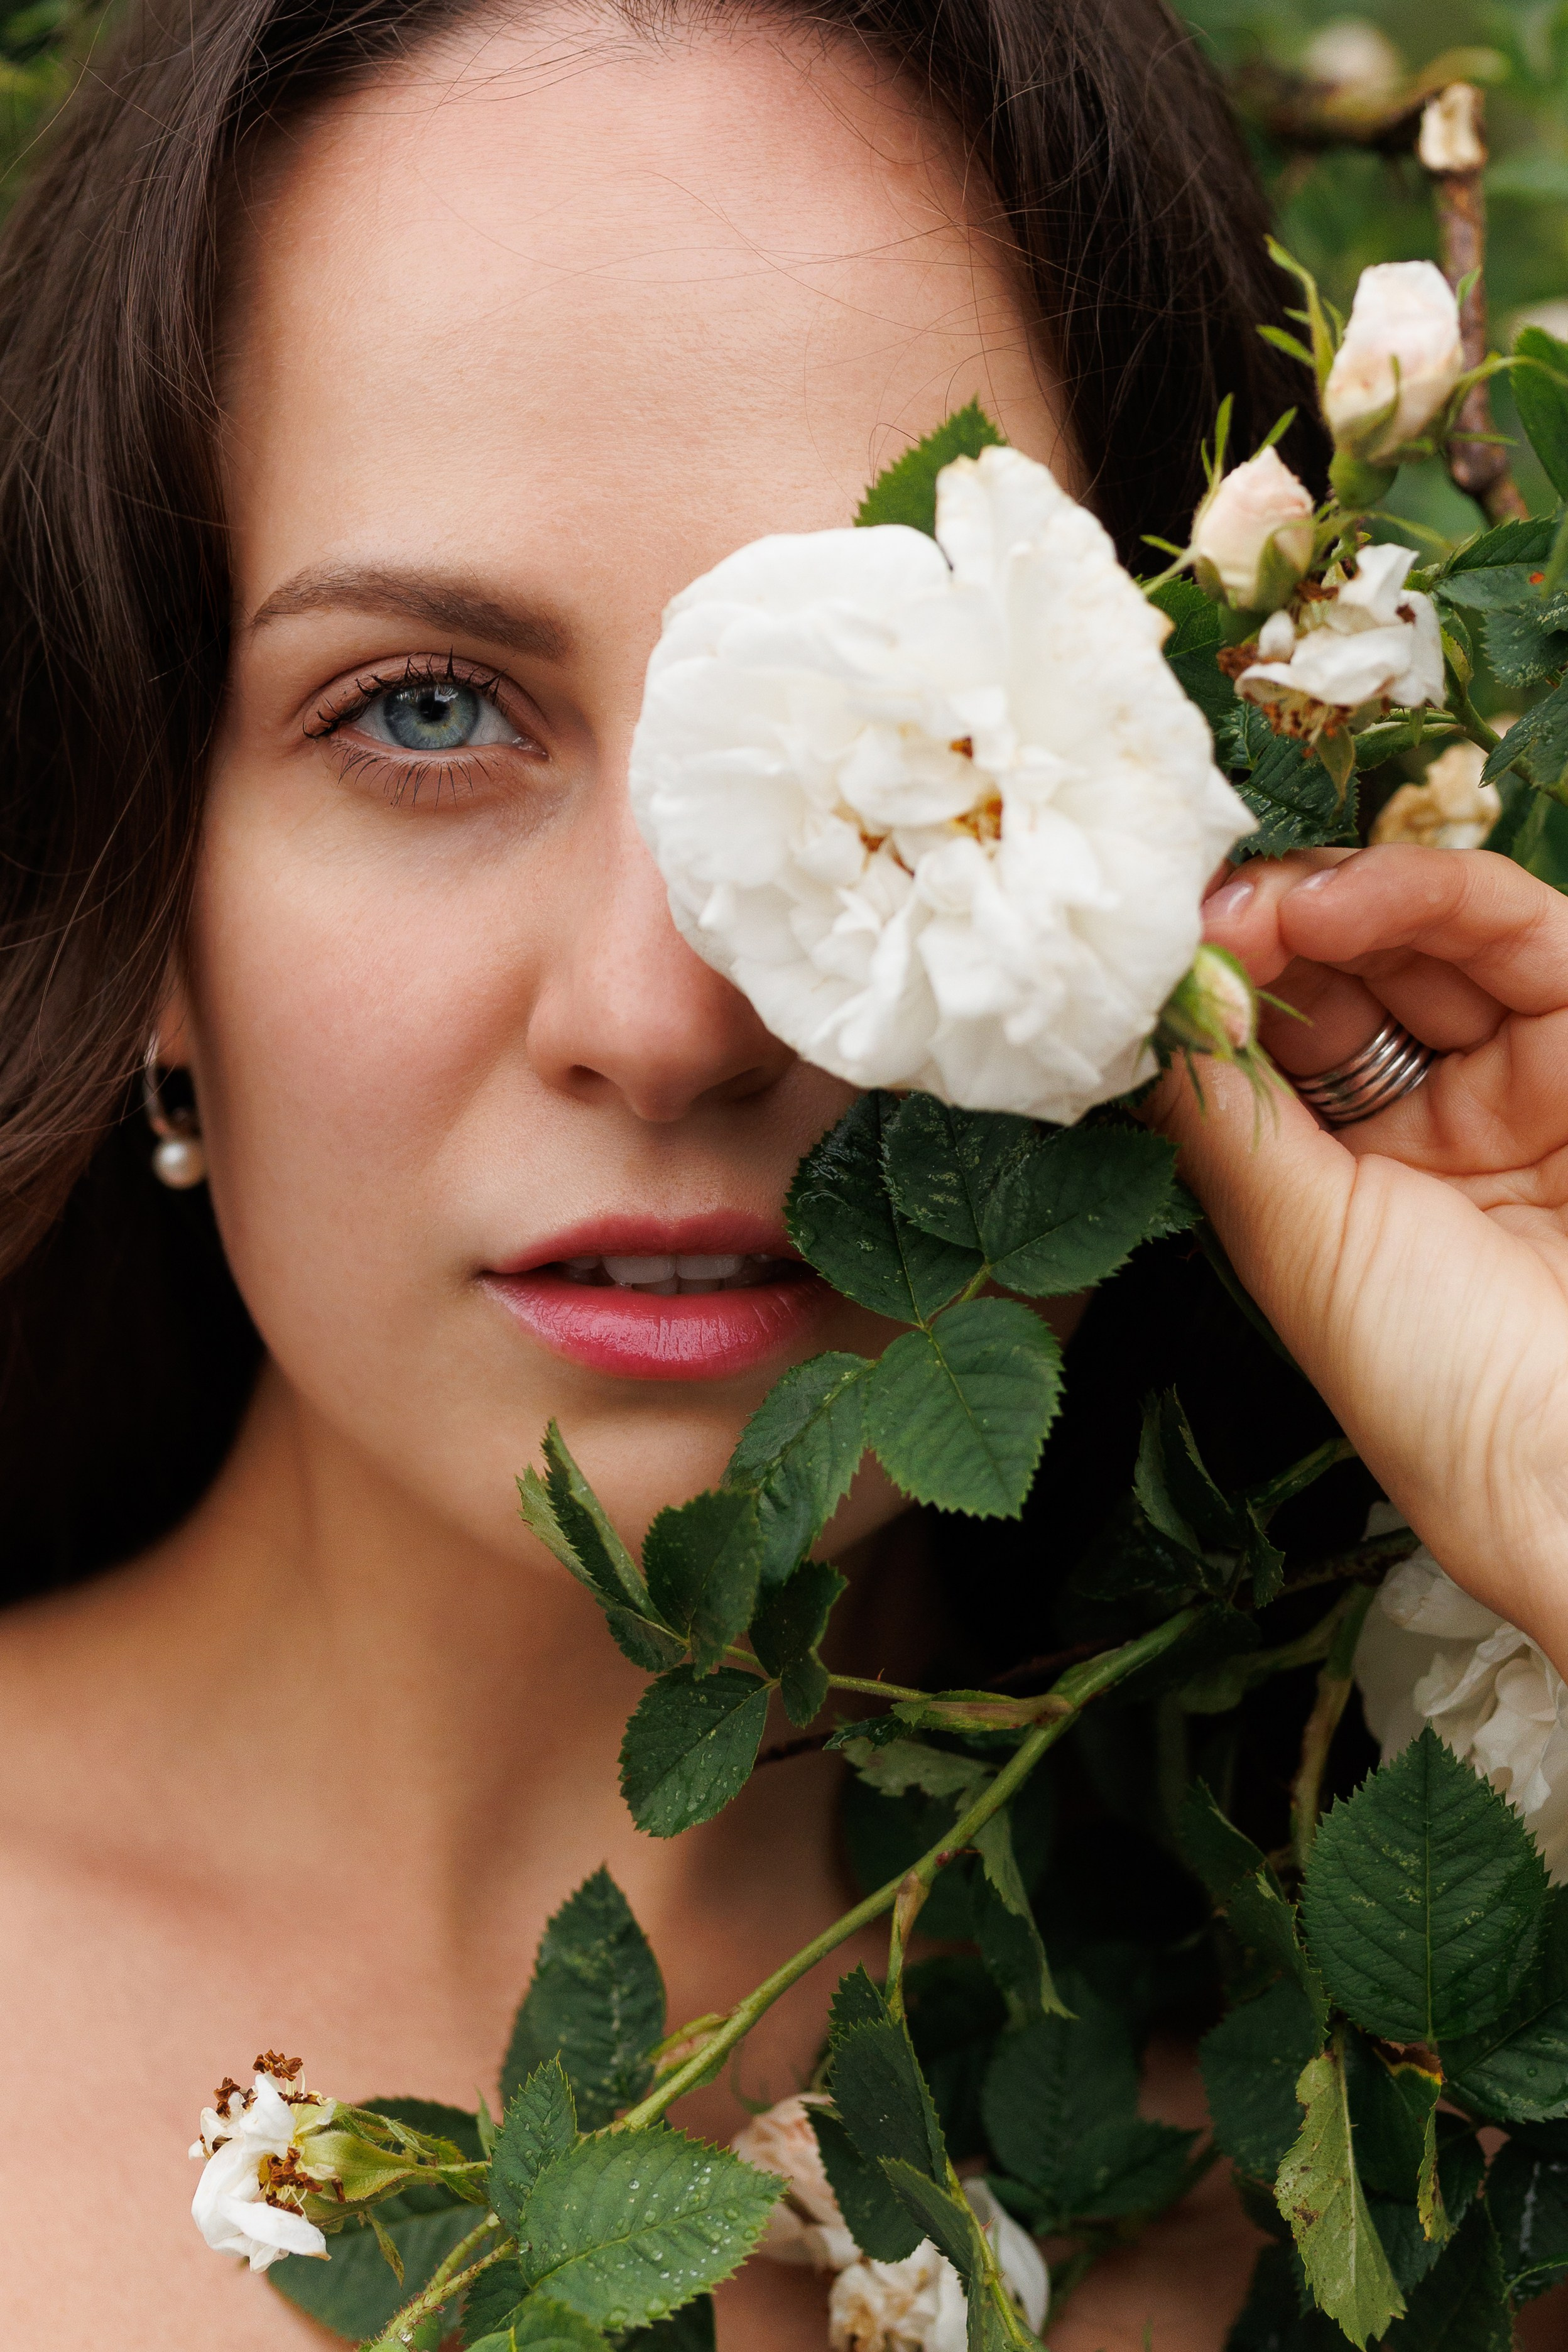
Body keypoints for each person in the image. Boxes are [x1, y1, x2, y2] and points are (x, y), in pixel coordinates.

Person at [0, 0, 1561, 2343]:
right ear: (146, 886)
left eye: (910, 734)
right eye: (424, 709)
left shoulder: (1411, 2201)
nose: (663, 1017)